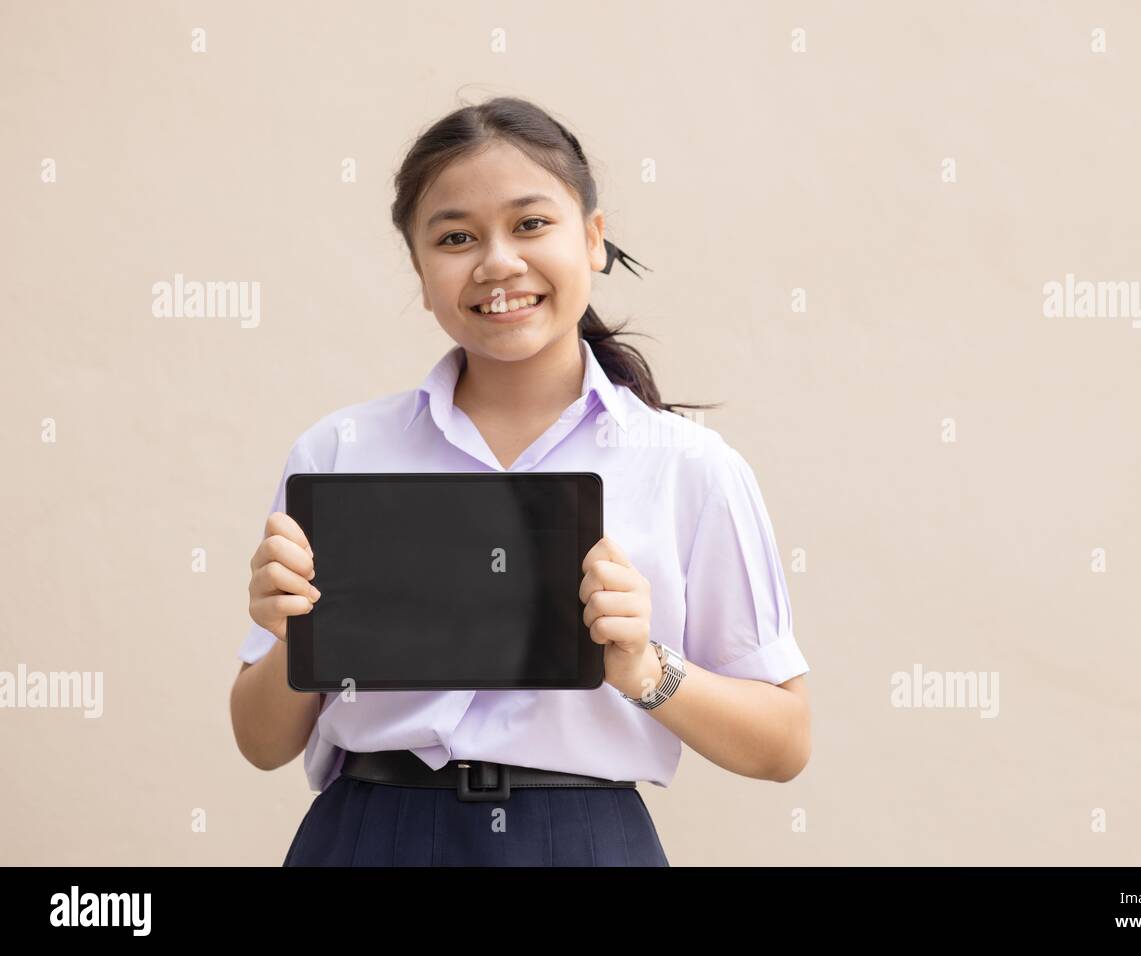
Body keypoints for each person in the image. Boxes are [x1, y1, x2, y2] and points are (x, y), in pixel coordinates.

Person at [228, 96, 812, 866]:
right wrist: (301, 637)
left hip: (584, 841)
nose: (497, 262)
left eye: (531, 224)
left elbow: (783, 744)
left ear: (594, 240)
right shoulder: (341, 451)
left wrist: (643, 667)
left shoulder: (690, 468)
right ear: (419, 267)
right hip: (369, 834)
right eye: (456, 237)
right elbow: (261, 742)